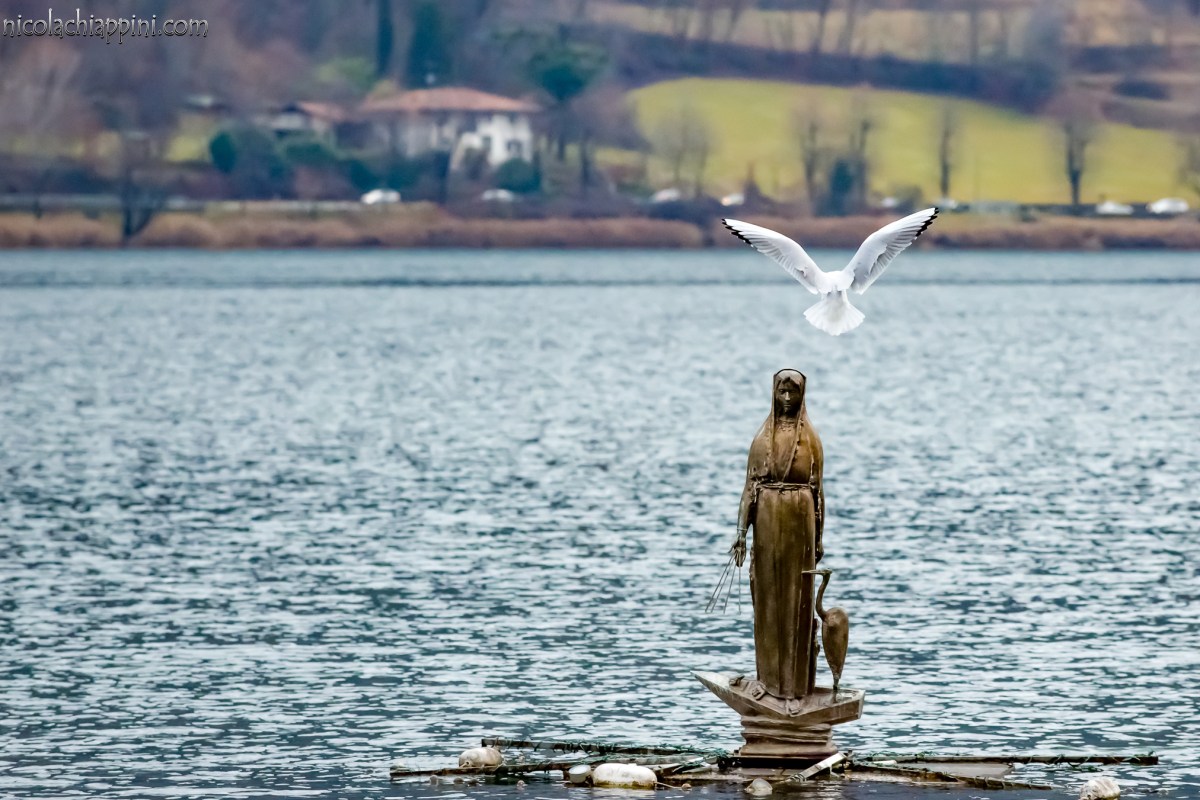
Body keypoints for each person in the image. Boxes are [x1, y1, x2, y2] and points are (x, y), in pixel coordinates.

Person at [732, 369, 825, 701]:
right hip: (768, 520)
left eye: (792, 393)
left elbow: (818, 492)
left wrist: (818, 538)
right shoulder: (762, 439)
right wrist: (741, 533)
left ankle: (797, 686)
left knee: (798, 599)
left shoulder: (811, 440)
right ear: (773, 394)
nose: (787, 399)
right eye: (781, 392)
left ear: (802, 396)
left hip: (800, 521)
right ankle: (768, 681)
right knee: (768, 595)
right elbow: (749, 488)